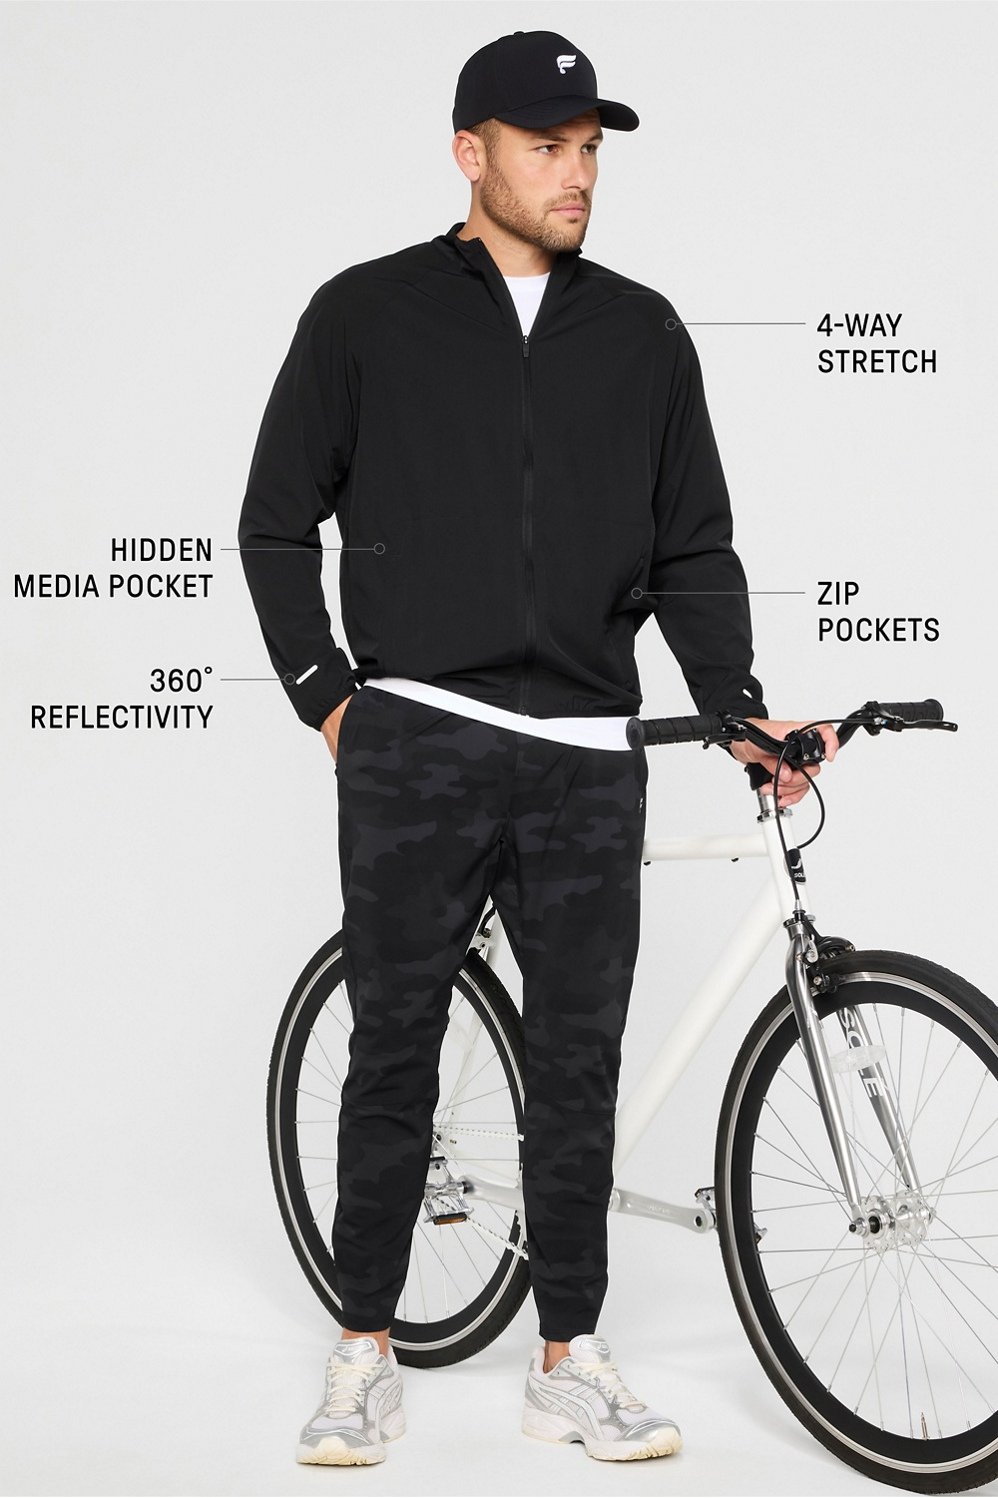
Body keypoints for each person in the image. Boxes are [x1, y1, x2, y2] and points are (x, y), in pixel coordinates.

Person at [238, 27, 838, 1468]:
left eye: (588, 150)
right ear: (470, 152)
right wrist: (330, 697)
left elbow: (692, 545)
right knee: (395, 1046)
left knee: (577, 1062)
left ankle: (568, 1356)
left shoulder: (641, 332)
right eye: (544, 147)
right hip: (421, 740)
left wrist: (736, 702)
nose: (576, 174)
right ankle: (364, 1349)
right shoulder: (365, 313)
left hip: (583, 751)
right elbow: (273, 518)